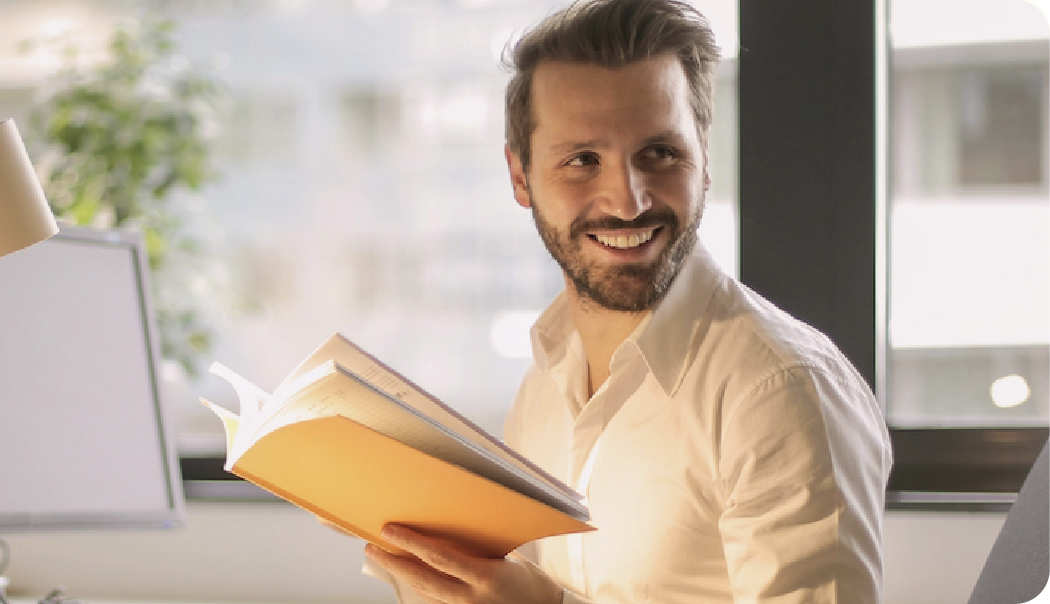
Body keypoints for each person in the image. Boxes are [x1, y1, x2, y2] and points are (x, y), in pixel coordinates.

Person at [361, 0, 894, 602]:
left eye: (659, 153)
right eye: (583, 160)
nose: (628, 199)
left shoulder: (780, 389)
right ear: (520, 176)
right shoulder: (545, 377)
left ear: (703, 159)